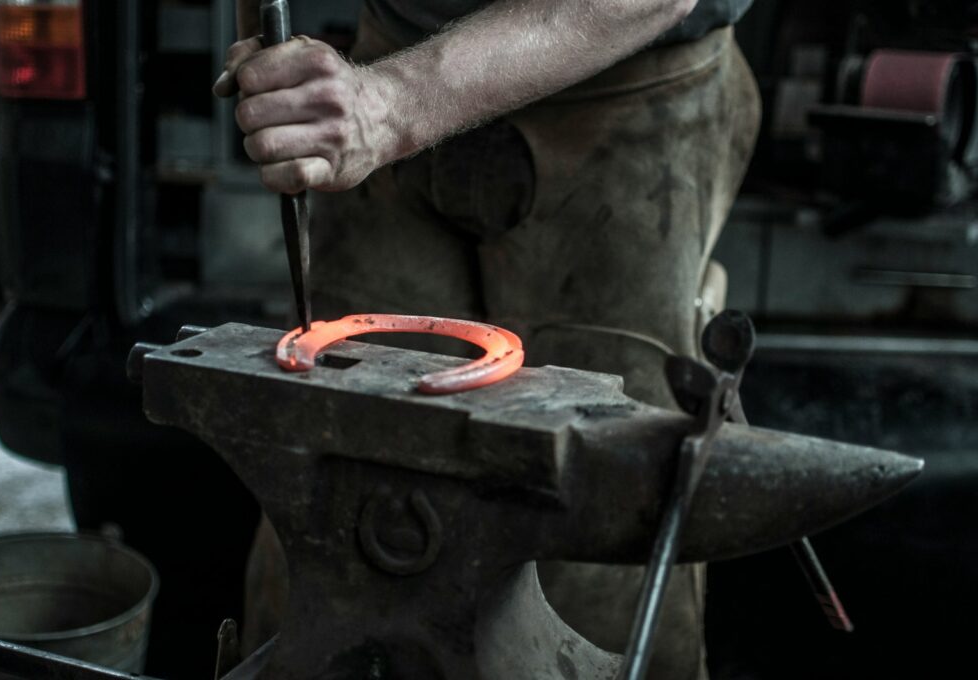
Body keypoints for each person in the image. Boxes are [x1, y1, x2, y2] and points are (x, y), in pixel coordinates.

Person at [215, 1, 760, 678]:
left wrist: (389, 108)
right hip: (394, 47)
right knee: (336, 495)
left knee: (601, 521)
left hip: (628, 81)